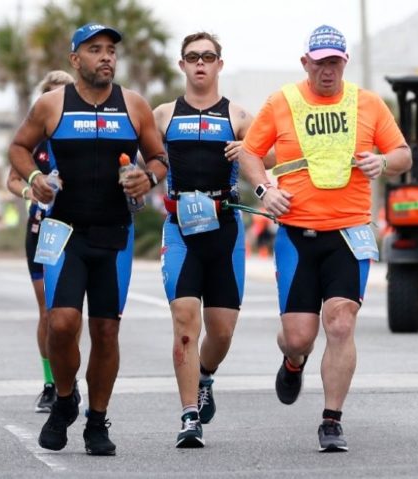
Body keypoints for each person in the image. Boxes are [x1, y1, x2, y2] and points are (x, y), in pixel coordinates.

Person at [239, 25, 412, 452]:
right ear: (306, 63)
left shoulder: (367, 104)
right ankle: (293, 361)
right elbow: (249, 152)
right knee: (299, 336)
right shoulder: (282, 101)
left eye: (335, 61)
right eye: (320, 62)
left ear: (344, 63)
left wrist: (383, 161)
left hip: (349, 233)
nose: (327, 70)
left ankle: (331, 420)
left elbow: (404, 154)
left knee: (339, 322)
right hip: (298, 235)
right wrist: (265, 190)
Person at [8, 22, 168, 456]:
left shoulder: (134, 106)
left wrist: (147, 177)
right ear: (75, 59)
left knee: (106, 332)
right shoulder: (50, 104)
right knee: (61, 324)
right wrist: (36, 178)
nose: (106, 57)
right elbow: (18, 148)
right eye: (95, 50)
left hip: (114, 235)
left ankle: (97, 421)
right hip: (64, 232)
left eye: (111, 50)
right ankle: (64, 400)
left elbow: (158, 157)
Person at [152, 32, 274, 449]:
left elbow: (268, 156)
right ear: (182, 64)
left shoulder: (239, 116)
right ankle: (189, 415)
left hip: (224, 230)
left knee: (220, 332)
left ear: (220, 64)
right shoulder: (164, 115)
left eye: (208, 57)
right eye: (192, 57)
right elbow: (144, 158)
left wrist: (248, 150)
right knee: (186, 321)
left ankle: (204, 376)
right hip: (180, 229)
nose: (200, 63)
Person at [5, 70, 82, 414]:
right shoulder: (35, 139)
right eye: (51, 94)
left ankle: (71, 378)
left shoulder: (81, 134)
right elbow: (11, 179)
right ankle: (51, 382)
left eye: (64, 93)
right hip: (42, 232)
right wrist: (31, 191)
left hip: (77, 231)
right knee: (49, 312)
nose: (58, 100)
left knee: (71, 314)